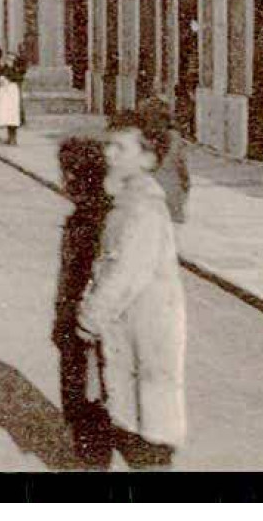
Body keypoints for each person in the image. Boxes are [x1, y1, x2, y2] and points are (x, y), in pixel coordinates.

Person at [77, 121, 188, 469]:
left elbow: (125, 273)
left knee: (147, 428)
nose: (108, 154)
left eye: (120, 149)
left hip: (144, 329)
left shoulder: (142, 209)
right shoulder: (128, 199)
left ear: (148, 159)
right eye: (108, 146)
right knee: (134, 417)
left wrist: (90, 316)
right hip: (129, 326)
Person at [53, 136, 113, 469]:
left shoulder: (96, 221)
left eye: (69, 175)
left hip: (86, 329)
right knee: (80, 403)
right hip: (73, 324)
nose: (64, 182)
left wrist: (74, 322)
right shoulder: (84, 216)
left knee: (87, 406)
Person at [134, 96, 190, 226]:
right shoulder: (175, 138)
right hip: (168, 195)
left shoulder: (137, 139)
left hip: (154, 197)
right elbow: (183, 170)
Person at [0, 54, 26, 145]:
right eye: (7, 59)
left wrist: (7, 79)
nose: (8, 61)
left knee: (13, 116)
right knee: (7, 116)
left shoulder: (16, 69)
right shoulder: (4, 68)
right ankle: (10, 137)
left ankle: (13, 138)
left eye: (11, 59)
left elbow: (19, 77)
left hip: (12, 93)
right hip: (5, 95)